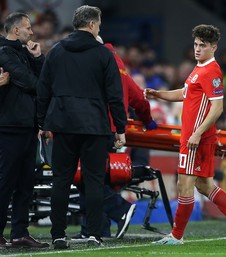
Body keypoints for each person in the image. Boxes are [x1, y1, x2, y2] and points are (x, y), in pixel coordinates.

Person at [145, 24, 226, 245]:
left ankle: (176, 236)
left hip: (196, 139)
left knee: (184, 185)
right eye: (195, 44)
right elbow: (185, 94)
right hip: (195, 137)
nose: (197, 49)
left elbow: (217, 108)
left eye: (202, 45)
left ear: (213, 47)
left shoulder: (212, 71)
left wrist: (196, 134)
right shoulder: (198, 68)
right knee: (205, 185)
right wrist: (158, 94)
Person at [36, 5, 127, 249]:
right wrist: (120, 128)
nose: (99, 28)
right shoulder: (103, 54)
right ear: (91, 25)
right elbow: (115, 95)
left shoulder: (55, 52)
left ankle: (57, 235)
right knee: (95, 181)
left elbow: (43, 90)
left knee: (61, 180)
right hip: (94, 126)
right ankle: (95, 234)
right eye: (98, 24)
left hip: (63, 125)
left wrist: (42, 122)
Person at [75, 37, 158, 240]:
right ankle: (96, 229)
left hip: (94, 126)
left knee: (87, 176)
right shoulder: (118, 64)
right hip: (108, 129)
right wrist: (148, 121)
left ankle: (118, 209)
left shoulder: (95, 61)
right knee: (92, 176)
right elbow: (137, 96)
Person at [0, 13, 49, 248]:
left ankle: (20, 233)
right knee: (5, 182)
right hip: (8, 127)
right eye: (28, 28)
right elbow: (33, 83)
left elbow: (42, 80)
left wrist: (38, 58)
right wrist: (39, 83)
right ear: (16, 30)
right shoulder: (3, 51)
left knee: (25, 184)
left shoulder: (24, 52)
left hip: (28, 126)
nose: (32, 32)